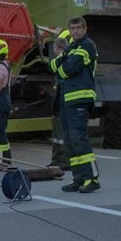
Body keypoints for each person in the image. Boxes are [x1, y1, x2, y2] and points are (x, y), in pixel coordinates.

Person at [49, 17, 101, 193]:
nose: (76, 31)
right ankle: (78, 178)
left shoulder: (87, 45)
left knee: (79, 139)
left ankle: (92, 178)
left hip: (80, 98)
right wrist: (62, 61)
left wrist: (62, 65)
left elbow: (67, 69)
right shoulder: (71, 47)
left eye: (79, 28)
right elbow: (53, 65)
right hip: (66, 99)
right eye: (73, 28)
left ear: (85, 29)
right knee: (70, 140)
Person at [48, 30, 73, 169]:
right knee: (57, 137)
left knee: (61, 136)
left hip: (62, 105)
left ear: (56, 48)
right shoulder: (64, 63)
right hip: (59, 106)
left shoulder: (63, 64)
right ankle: (57, 160)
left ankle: (64, 161)